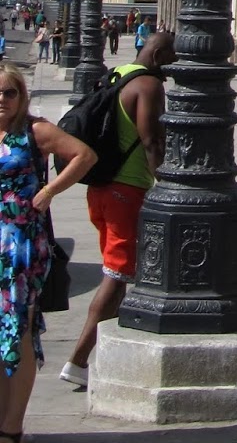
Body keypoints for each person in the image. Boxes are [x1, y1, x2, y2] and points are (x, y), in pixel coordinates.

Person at [60, 30, 177, 389]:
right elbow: (151, 140)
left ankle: (112, 344)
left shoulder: (119, 73)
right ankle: (78, 360)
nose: (175, 67)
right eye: (172, 58)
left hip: (101, 190)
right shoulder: (149, 86)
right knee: (117, 275)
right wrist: (166, 185)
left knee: (121, 272)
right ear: (158, 56)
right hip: (125, 191)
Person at [0, 65, 96, 441]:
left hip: (20, 247)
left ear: (22, 96)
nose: (2, 100)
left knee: (18, 330)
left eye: (9, 92)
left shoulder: (34, 131)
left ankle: (11, 427)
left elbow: (84, 156)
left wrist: (49, 190)